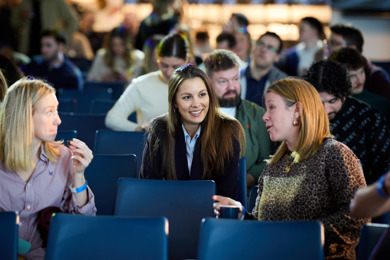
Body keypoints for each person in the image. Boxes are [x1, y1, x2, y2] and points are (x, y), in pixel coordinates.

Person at [214, 78, 369, 259]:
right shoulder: (273, 166)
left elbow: (359, 216)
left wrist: (298, 236)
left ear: (297, 111)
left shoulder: (335, 153)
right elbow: (264, 225)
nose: (265, 115)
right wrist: (242, 214)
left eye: (272, 107)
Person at [0, 77, 96, 259]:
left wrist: (79, 175)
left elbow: (83, 224)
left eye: (57, 111)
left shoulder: (64, 157)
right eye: (49, 112)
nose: (58, 120)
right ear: (24, 116)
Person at [141, 64, 245, 200]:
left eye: (202, 95)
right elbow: (147, 187)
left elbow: (226, 195)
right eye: (187, 97)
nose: (196, 104)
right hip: (169, 209)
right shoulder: (159, 128)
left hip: (211, 213)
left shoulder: (228, 129)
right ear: (175, 103)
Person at [303, 59, 390, 184]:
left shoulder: (370, 119)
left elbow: (384, 169)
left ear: (344, 93)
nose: (325, 110)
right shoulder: (299, 116)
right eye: (318, 102)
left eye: (332, 101)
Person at [203, 49, 273, 189]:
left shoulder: (257, 114)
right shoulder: (197, 113)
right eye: (223, 81)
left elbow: (270, 158)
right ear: (208, 82)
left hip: (246, 194)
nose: (232, 87)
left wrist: (251, 177)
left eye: (235, 79)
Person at [105, 33, 189, 132]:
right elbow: (112, 118)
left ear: (186, 60)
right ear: (157, 60)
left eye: (175, 66)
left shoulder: (196, 84)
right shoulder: (141, 84)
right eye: (164, 65)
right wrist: (139, 128)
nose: (169, 72)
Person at [327, 23, 390, 101]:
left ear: (352, 49)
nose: (328, 47)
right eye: (328, 43)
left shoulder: (377, 76)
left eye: (334, 43)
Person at [328, 47, 390, 123]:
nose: (360, 80)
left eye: (361, 72)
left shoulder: (380, 104)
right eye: (352, 76)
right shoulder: (327, 104)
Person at [11, 0, 79, 57]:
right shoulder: (25, 2)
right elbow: (13, 23)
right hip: (28, 47)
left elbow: (73, 21)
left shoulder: (55, 1)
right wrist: (21, 16)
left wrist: (61, 38)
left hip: (50, 49)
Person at [240, 31, 288, 107]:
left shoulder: (284, 83)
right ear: (254, 47)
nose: (263, 50)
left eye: (270, 48)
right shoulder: (235, 76)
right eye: (261, 44)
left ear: (277, 57)